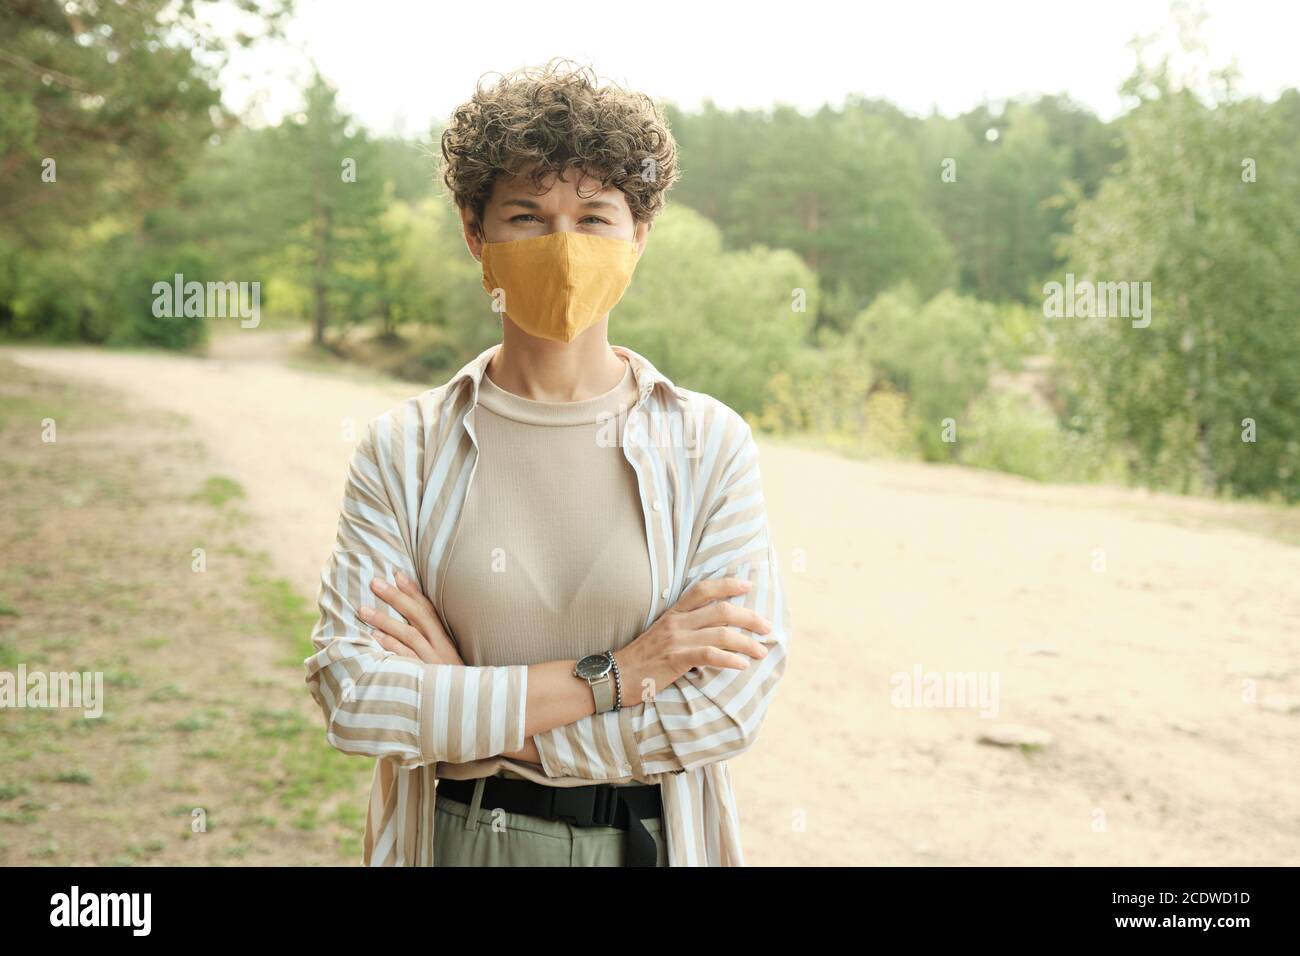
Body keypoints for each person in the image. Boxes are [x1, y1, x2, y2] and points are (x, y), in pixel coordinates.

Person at [303, 57, 791, 866]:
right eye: (527, 216)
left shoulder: (709, 444)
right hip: (455, 843)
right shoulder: (404, 448)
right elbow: (355, 698)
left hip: (647, 843)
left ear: (640, 234)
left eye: (595, 217)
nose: (563, 248)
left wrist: (475, 719)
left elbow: (724, 711)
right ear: (475, 233)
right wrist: (620, 675)